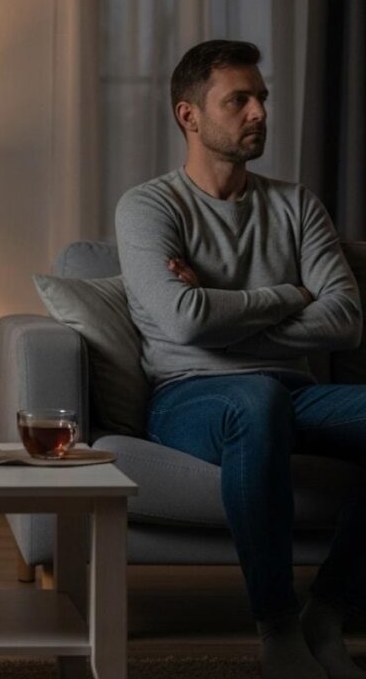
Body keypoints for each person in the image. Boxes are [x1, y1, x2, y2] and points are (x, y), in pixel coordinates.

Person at [116, 39, 365, 679]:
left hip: (294, 393)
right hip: (191, 397)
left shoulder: (297, 204)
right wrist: (288, 296)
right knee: (253, 402)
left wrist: (221, 312)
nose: (258, 112)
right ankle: (277, 627)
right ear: (189, 115)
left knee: (267, 395)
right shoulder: (148, 207)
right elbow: (183, 323)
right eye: (239, 100)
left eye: (262, 98)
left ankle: (328, 612)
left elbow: (345, 319)